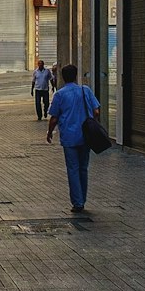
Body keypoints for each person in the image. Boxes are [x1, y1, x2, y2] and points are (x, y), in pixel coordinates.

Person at [46, 63, 100, 213]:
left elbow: (54, 118)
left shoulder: (60, 95)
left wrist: (50, 132)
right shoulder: (85, 91)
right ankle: (83, 198)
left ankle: (77, 202)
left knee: (73, 169)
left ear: (63, 78)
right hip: (86, 137)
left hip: (69, 137)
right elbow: (96, 111)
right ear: (76, 76)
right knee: (83, 168)